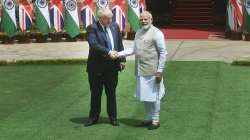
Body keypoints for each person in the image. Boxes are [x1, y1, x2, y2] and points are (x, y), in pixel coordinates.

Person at [117, 11, 167, 130]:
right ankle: (149, 118)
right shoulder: (138, 32)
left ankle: (155, 120)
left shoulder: (157, 33)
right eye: (142, 19)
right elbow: (133, 49)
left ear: (151, 20)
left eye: (146, 19)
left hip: (153, 71)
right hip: (140, 70)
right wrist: (117, 54)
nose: (143, 21)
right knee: (145, 96)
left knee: (155, 96)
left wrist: (160, 71)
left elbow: (163, 53)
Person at [84, 8, 126, 127]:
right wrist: (108, 52)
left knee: (111, 93)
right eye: (108, 18)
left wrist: (122, 59)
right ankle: (93, 118)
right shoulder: (92, 28)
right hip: (96, 68)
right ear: (101, 18)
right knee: (96, 94)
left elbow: (119, 44)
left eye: (111, 18)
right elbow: (93, 44)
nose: (110, 20)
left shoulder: (115, 27)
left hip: (112, 68)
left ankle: (113, 118)